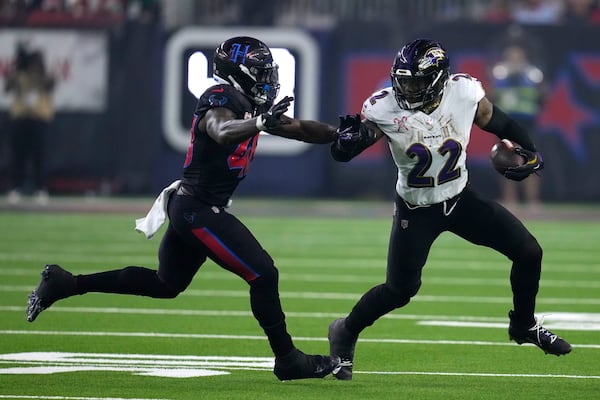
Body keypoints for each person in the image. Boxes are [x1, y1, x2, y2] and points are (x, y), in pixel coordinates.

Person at [26, 36, 340, 381]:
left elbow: (301, 129)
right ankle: (288, 359)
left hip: (191, 206)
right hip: (198, 210)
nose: (268, 81)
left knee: (166, 284)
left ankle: (67, 283)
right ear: (239, 73)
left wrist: (342, 133)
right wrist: (260, 123)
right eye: (261, 73)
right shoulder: (220, 97)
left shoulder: (248, 104)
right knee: (263, 273)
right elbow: (220, 130)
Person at [327, 38, 571, 381]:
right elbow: (347, 151)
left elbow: (500, 123)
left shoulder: (464, 92)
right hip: (417, 208)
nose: (409, 88)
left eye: (417, 81)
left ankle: (524, 325)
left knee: (529, 252)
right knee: (400, 291)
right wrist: (344, 145)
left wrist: (529, 152)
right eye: (404, 80)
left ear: (440, 79)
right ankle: (345, 330)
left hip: (460, 199)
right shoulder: (383, 108)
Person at [490, 41, 545, 212]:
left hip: (527, 123)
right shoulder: (500, 73)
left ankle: (532, 201)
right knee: (505, 160)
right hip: (506, 124)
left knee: (531, 159)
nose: (514, 59)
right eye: (511, 56)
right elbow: (492, 97)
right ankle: (509, 199)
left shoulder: (532, 74)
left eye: (518, 56)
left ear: (524, 57)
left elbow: (542, 95)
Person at [5, 43, 55, 205]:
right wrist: (19, 65)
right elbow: (7, 87)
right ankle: (15, 188)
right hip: (20, 119)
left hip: (39, 119)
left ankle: (40, 189)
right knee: (18, 156)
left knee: (39, 157)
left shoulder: (44, 77)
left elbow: (51, 84)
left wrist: (41, 67)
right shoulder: (19, 76)